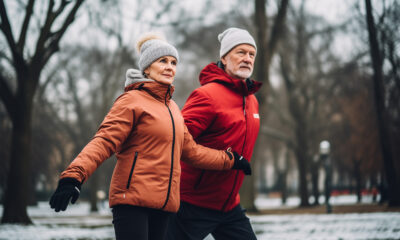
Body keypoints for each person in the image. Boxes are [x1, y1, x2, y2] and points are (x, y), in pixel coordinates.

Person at [48, 33, 252, 240]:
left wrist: (231, 160)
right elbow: (104, 141)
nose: (169, 67)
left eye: (173, 62)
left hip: (165, 206)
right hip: (132, 202)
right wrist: (73, 176)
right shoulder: (131, 100)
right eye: (162, 61)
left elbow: (192, 151)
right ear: (147, 68)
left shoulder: (172, 108)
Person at [167, 27, 262, 240]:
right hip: (192, 203)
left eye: (251, 54)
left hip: (230, 206)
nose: (247, 58)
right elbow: (177, 142)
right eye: (240, 52)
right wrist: (227, 160)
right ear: (224, 58)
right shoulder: (206, 96)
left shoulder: (252, 100)